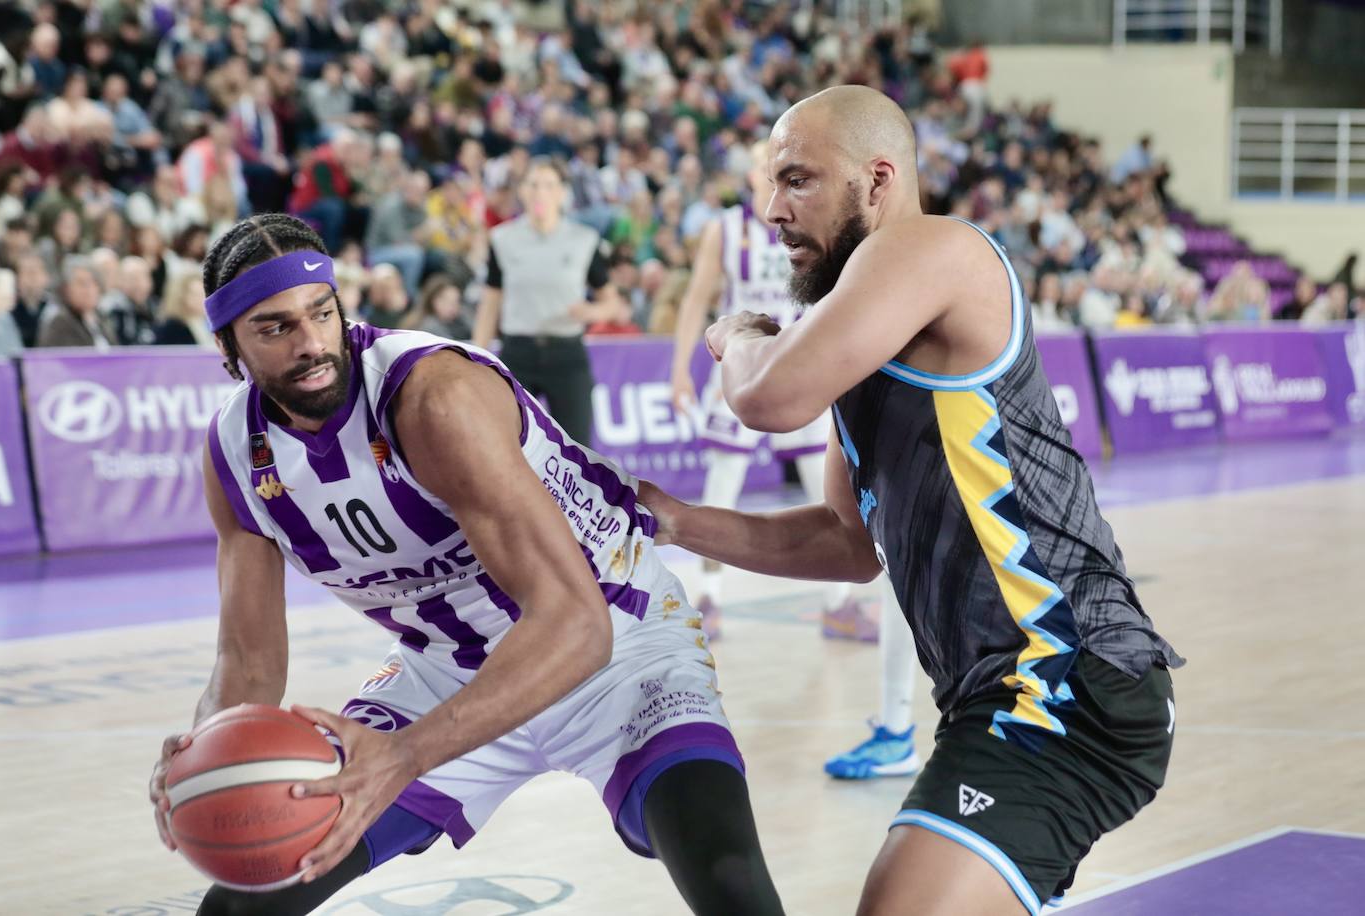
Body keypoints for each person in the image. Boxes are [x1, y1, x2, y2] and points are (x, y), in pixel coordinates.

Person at [638, 86, 1182, 916]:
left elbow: (767, 398)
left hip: (1064, 677)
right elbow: (844, 544)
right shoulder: (865, 326)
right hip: (1000, 694)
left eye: (796, 181)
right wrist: (670, 519)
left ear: (877, 179)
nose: (770, 210)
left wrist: (741, 336)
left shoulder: (933, 248)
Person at [146, 214, 782, 916]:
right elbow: (248, 661)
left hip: (614, 642)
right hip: (445, 665)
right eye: (276, 328)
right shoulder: (235, 452)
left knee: (728, 881)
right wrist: (205, 748)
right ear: (227, 345)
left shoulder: (432, 397)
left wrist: (406, 755)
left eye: (321, 313)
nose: (311, 343)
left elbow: (576, 627)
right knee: (243, 903)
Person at [667, 141, 919, 776]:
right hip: (749, 360)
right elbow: (697, 301)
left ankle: (839, 606)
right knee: (723, 478)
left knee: (834, 498)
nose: (776, 188)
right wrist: (681, 369)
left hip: (803, 358)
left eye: (790, 175)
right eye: (767, 173)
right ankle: (708, 595)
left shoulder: (824, 227)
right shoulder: (726, 231)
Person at [471, 158, 621, 448]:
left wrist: (591, 311)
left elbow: (611, 303)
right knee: (508, 447)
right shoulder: (502, 239)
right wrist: (477, 356)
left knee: (578, 451)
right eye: (533, 184)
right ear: (522, 191)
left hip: (567, 356)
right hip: (518, 354)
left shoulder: (584, 240)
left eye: (550, 185)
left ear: (563, 193)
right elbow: (490, 304)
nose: (541, 192)